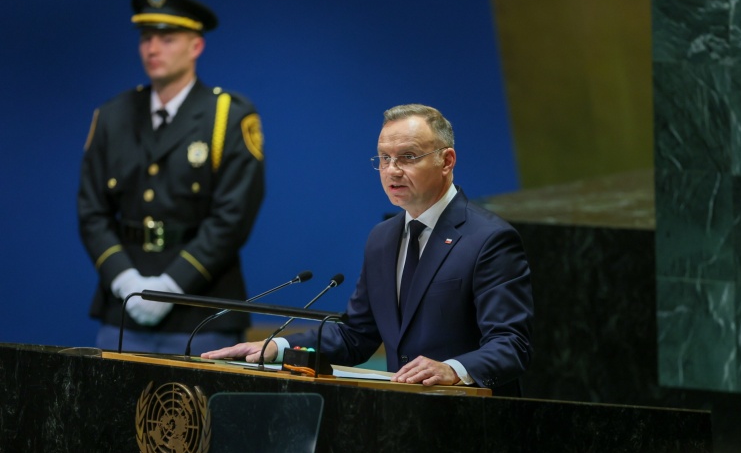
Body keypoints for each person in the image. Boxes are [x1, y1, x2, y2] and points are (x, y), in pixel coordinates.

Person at [202, 104, 532, 394]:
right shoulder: (383, 238)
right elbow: (356, 335)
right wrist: (279, 346)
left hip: (474, 424)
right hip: (400, 417)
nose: (392, 170)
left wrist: (454, 370)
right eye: (384, 159)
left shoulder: (488, 238)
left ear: (447, 161)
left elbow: (511, 345)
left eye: (408, 157)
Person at [78, 0, 264, 354]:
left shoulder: (228, 116)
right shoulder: (112, 115)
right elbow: (91, 211)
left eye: (167, 38)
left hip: (201, 310)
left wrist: (172, 285)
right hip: (123, 309)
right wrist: (123, 278)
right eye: (146, 38)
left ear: (196, 46)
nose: (152, 48)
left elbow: (233, 216)